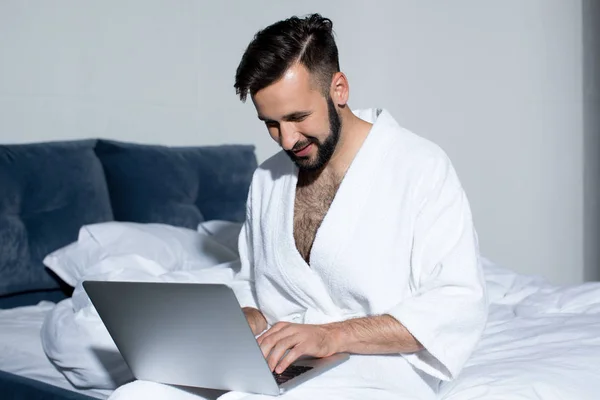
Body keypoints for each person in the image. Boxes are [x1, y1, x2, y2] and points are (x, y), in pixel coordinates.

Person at [109, 13, 487, 400]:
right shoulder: (267, 179)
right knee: (136, 394)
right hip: (284, 356)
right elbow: (254, 284)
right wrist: (242, 322)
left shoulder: (418, 166)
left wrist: (331, 335)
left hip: (380, 366)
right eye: (270, 123)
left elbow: (457, 302)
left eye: (297, 117)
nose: (287, 139)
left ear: (338, 89)